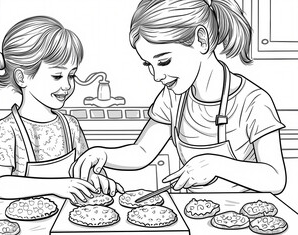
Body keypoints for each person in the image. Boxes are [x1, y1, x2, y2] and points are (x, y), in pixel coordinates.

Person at [72, 0, 287, 194]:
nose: (157, 76)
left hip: (240, 221)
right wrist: (103, 154)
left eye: (164, 62)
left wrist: (216, 165)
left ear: (201, 40)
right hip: (193, 214)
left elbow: (275, 178)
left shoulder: (253, 101)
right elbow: (143, 151)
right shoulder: (173, 96)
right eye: (149, 64)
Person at [0, 16, 122, 202]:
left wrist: (95, 179)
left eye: (71, 75)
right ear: (22, 78)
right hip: (25, 222)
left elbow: (85, 170)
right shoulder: (7, 129)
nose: (67, 86)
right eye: (57, 76)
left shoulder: (70, 125)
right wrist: (56, 186)